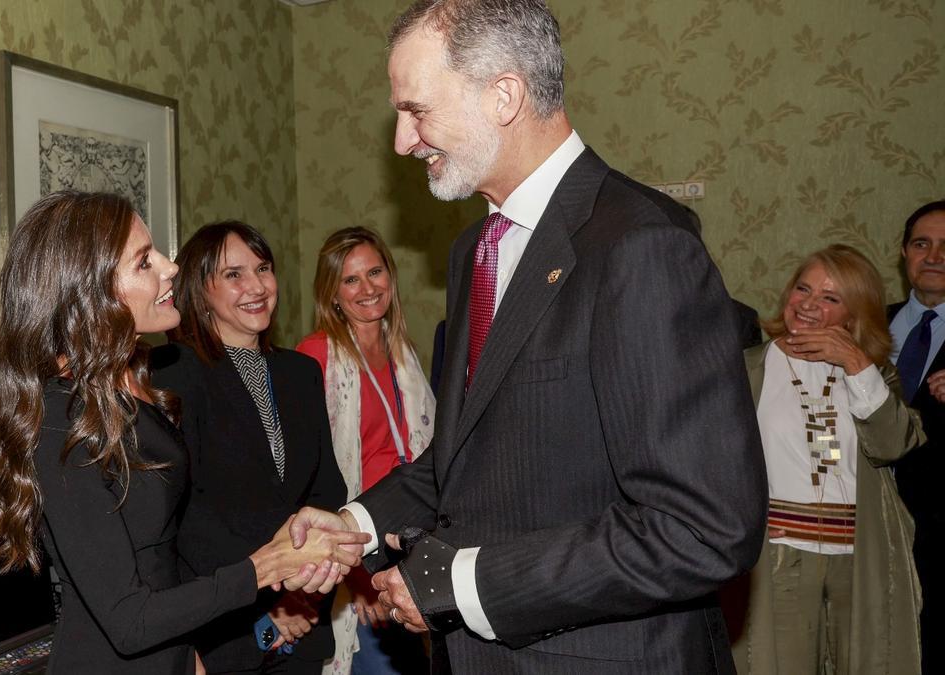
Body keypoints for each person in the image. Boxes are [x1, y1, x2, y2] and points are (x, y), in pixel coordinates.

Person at [287, 1, 768, 672]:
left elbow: (701, 527)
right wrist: (355, 525)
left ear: (504, 95)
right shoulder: (473, 252)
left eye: (416, 110)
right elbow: (466, 457)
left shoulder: (642, 246)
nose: (402, 140)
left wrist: (464, 583)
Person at [0, 192, 367, 674]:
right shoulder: (61, 419)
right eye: (144, 262)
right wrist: (266, 567)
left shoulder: (128, 387)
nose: (170, 267)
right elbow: (128, 618)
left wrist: (192, 657)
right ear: (90, 290)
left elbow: (158, 561)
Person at [151, 221, 349, 674]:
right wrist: (266, 601)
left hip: (306, 619)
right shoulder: (175, 375)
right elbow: (185, 517)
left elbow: (326, 492)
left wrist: (304, 592)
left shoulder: (301, 373)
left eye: (263, 268)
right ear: (201, 291)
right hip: (223, 630)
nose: (256, 286)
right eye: (234, 275)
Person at [728, 245, 922, 674]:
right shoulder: (745, 370)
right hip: (779, 554)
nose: (809, 305)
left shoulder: (875, 376)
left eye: (830, 298)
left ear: (854, 314)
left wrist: (857, 363)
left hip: (862, 557)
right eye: (803, 289)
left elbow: (893, 445)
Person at [296, 227, 434, 674]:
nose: (368, 288)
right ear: (332, 293)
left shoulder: (405, 356)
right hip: (357, 554)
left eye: (375, 272)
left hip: (412, 544)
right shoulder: (315, 357)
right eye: (351, 279)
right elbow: (310, 484)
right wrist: (356, 579)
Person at [889, 200, 945, 674]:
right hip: (863, 530)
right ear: (904, 254)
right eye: (922, 243)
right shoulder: (858, 324)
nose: (935, 255)